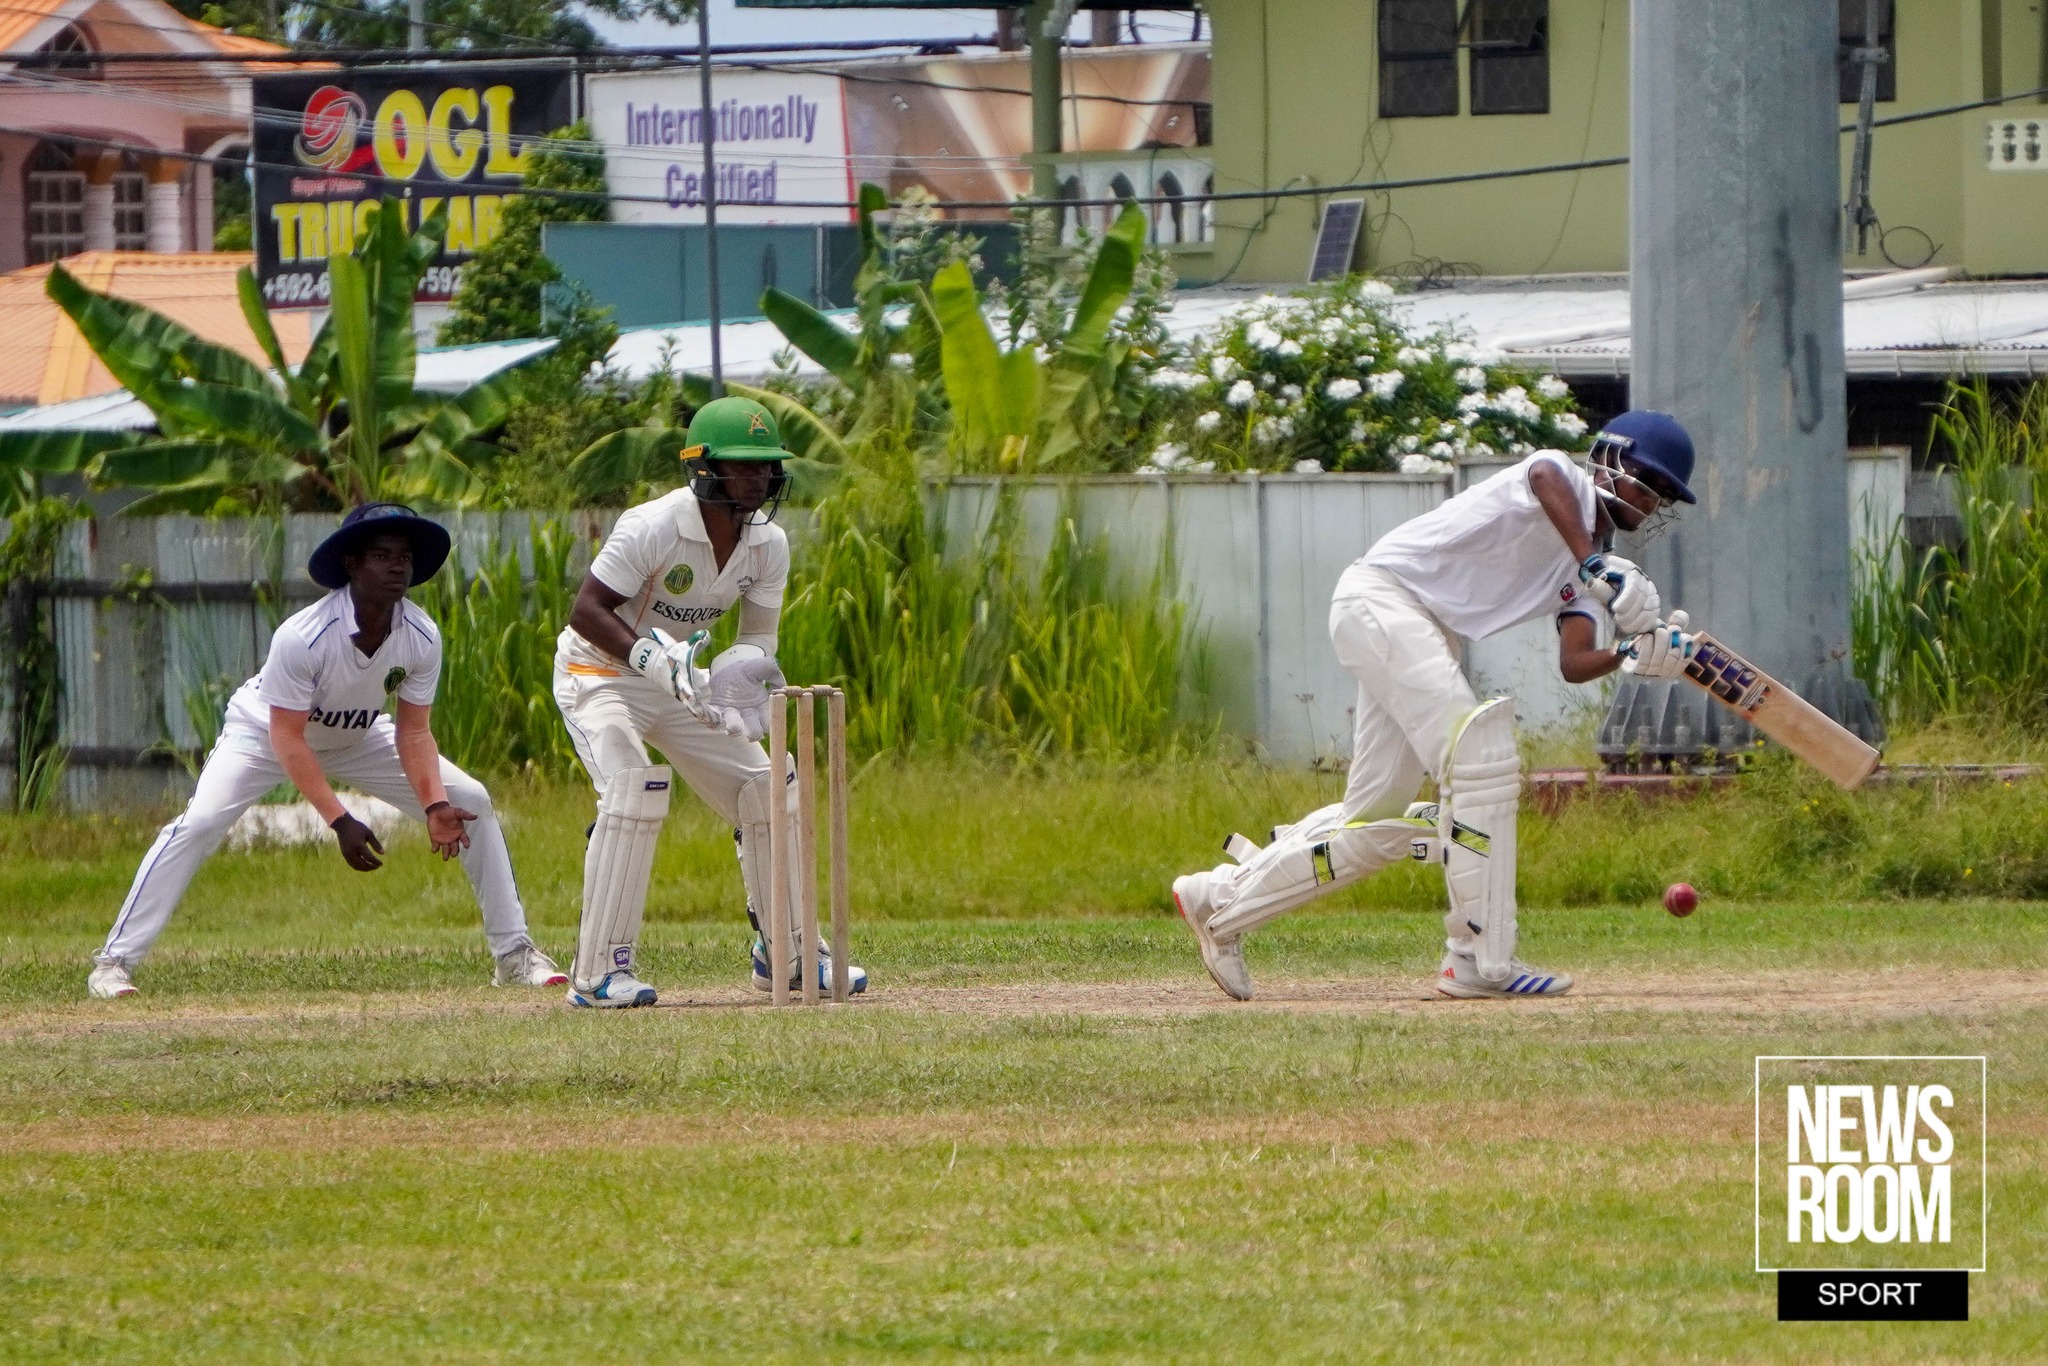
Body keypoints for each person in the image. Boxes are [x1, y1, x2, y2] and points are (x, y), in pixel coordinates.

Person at [1172, 411, 1701, 1001]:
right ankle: (1476, 959)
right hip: (1384, 598)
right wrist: (1593, 561)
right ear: (1610, 460)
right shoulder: (1564, 486)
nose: (1651, 504)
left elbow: (1574, 663)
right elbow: (1544, 472)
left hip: (1415, 627)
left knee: (1372, 824)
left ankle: (1217, 902)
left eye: (1663, 498)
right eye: (1646, 485)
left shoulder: (1589, 573)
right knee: (1478, 758)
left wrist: (1628, 651)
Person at [88, 503, 566, 999]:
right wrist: (340, 820)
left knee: (474, 801)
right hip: (263, 735)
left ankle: (513, 954)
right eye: (381, 555)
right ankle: (113, 963)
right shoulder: (303, 636)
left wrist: (435, 804)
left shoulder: (421, 635)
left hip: (358, 735)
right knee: (202, 822)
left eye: (404, 556)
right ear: (351, 565)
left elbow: (414, 734)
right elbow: (288, 739)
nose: (397, 566)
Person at [552, 396, 868, 1008]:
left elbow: (758, 638)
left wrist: (736, 681)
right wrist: (647, 657)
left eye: (765, 467)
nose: (757, 479)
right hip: (599, 673)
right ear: (704, 469)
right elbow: (586, 611)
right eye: (741, 466)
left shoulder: (768, 544)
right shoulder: (652, 526)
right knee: (633, 788)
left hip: (681, 681)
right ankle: (600, 973)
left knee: (771, 784)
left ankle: (793, 954)